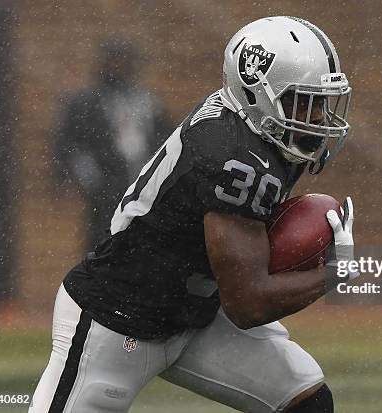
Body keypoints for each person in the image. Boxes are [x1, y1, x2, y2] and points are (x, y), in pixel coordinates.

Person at [31, 17, 357, 413]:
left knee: (306, 401)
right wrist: (332, 274)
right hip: (117, 320)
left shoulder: (259, 128)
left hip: (193, 314)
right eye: (304, 102)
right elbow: (248, 304)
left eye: (321, 103)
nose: (318, 118)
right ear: (257, 93)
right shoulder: (231, 155)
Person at [54, 37, 175, 250]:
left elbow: (166, 138)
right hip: (105, 185)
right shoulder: (86, 102)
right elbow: (69, 143)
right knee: (104, 239)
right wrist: (84, 177)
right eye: (115, 61)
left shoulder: (147, 101)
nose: (120, 67)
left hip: (142, 182)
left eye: (125, 62)